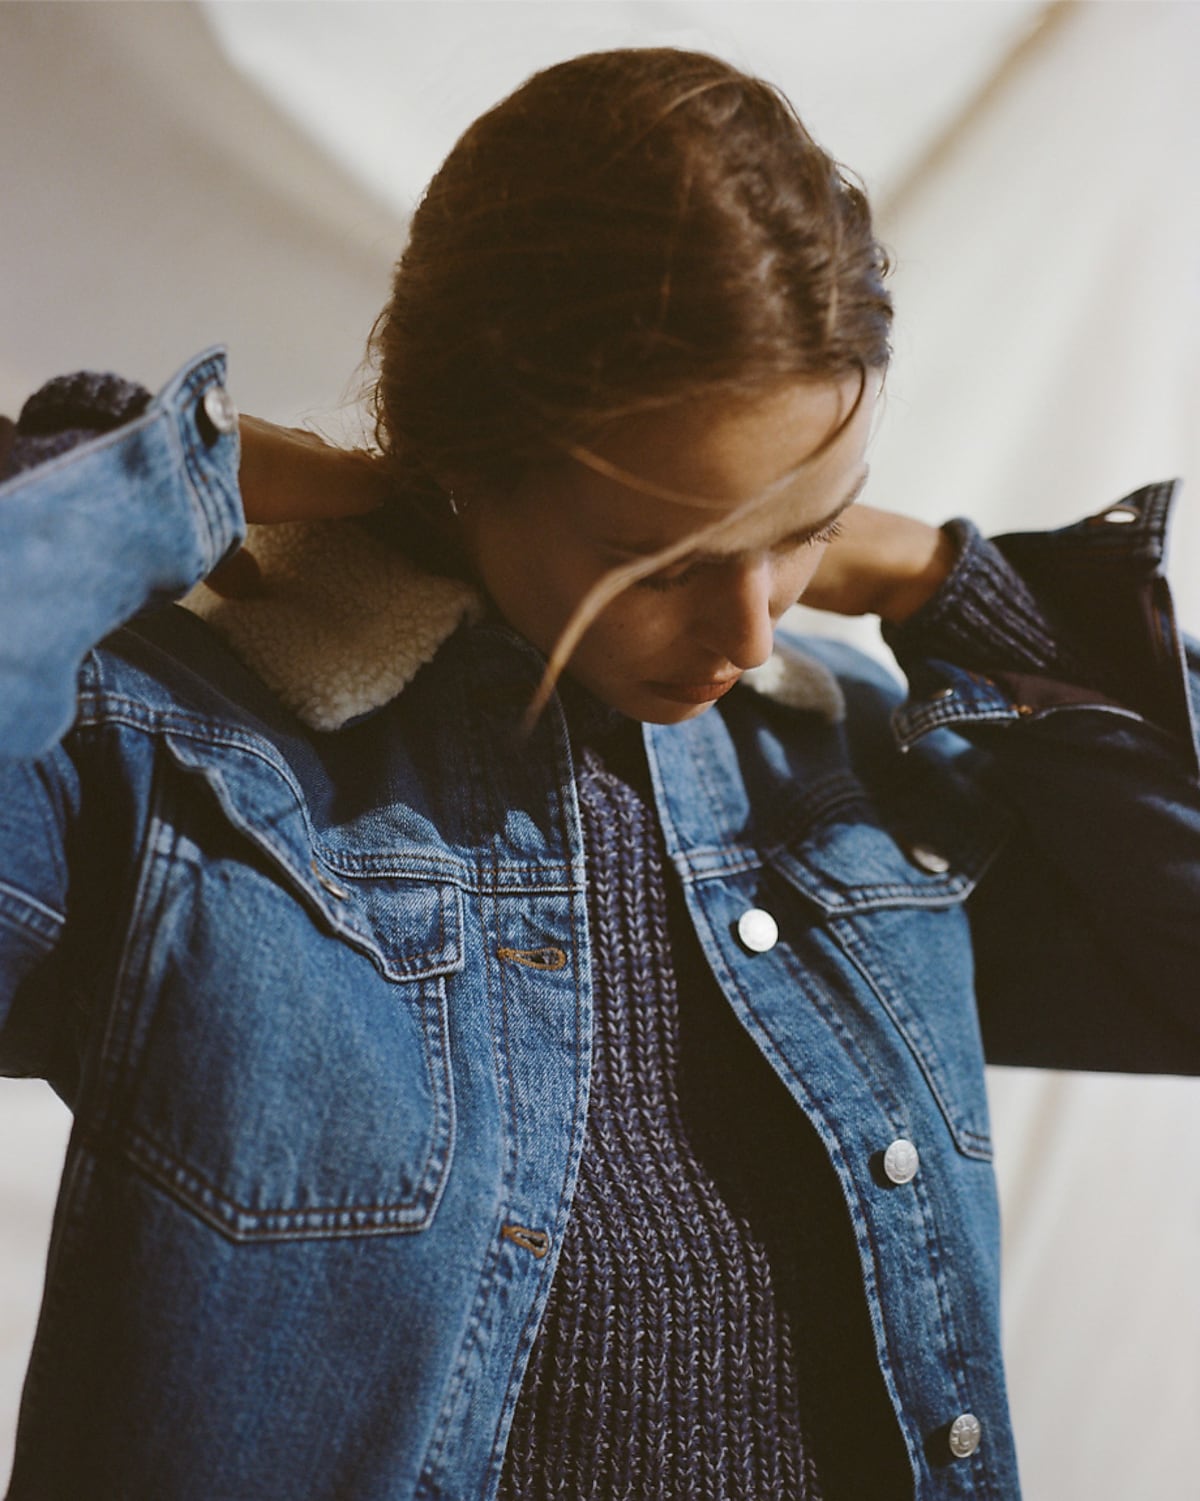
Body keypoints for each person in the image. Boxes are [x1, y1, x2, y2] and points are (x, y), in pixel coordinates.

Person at [0, 45, 1196, 1501]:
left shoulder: (837, 774)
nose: (751, 626)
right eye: (673, 561)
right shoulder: (192, 776)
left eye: (808, 532)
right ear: (468, 461)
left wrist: (961, 585)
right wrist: (148, 482)